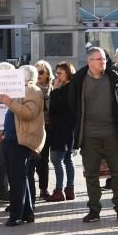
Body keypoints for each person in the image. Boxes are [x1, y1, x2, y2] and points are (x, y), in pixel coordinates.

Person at [70, 47, 118, 223]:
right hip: (89, 135)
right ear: (89, 62)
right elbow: (73, 105)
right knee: (91, 174)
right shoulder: (79, 80)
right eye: (98, 59)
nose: (103, 62)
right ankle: (94, 211)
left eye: (104, 59)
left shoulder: (115, 79)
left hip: (113, 134)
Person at [0, 64, 45, 226]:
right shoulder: (22, 90)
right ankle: (27, 213)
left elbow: (29, 113)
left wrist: (9, 102)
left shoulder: (31, 90)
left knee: (17, 179)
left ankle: (16, 215)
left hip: (20, 140)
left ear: (25, 77)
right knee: (20, 178)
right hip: (13, 139)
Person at [45, 62, 75, 202]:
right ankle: (70, 189)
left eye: (60, 73)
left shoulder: (67, 88)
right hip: (67, 128)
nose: (57, 76)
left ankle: (59, 190)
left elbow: (54, 109)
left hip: (62, 129)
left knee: (57, 159)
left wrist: (55, 90)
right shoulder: (68, 87)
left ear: (68, 73)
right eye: (56, 73)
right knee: (68, 159)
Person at [33, 60, 55, 200]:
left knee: (44, 160)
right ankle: (31, 189)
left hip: (48, 127)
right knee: (33, 159)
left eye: (41, 72)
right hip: (34, 127)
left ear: (47, 74)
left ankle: (44, 188)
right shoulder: (31, 89)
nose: (39, 75)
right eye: (36, 72)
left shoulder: (53, 88)